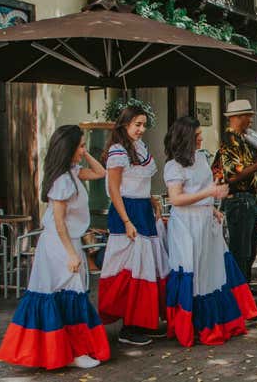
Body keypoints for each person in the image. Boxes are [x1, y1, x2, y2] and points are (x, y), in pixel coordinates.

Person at [0, 126, 109, 369]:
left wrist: (85, 151)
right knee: (69, 292)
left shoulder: (73, 172)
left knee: (67, 294)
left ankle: (70, 351)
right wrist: (71, 254)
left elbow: (101, 173)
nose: (83, 150)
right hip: (60, 244)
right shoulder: (61, 181)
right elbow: (59, 222)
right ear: (68, 149)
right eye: (80, 146)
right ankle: (74, 352)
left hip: (68, 241)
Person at [163, 116, 257, 347]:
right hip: (186, 226)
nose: (200, 139)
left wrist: (212, 209)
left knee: (210, 272)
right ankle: (193, 324)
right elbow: (176, 199)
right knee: (193, 271)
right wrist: (209, 194)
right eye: (196, 136)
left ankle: (213, 322)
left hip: (205, 222)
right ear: (185, 138)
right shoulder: (173, 166)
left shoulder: (202, 159)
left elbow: (203, 189)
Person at [99, 105, 169, 346]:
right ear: (125, 124)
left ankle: (142, 322)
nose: (141, 129)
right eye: (137, 124)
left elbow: (137, 182)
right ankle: (128, 326)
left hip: (143, 210)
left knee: (147, 268)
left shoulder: (140, 147)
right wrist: (127, 220)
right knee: (130, 269)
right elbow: (114, 189)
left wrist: (152, 199)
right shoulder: (118, 151)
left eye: (143, 124)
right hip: (127, 212)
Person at [212, 99, 257, 297]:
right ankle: (239, 294)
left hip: (247, 199)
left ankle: (244, 287)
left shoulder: (241, 140)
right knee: (241, 249)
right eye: (247, 116)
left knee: (248, 248)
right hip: (239, 199)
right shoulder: (230, 140)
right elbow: (232, 175)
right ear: (237, 118)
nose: (250, 120)